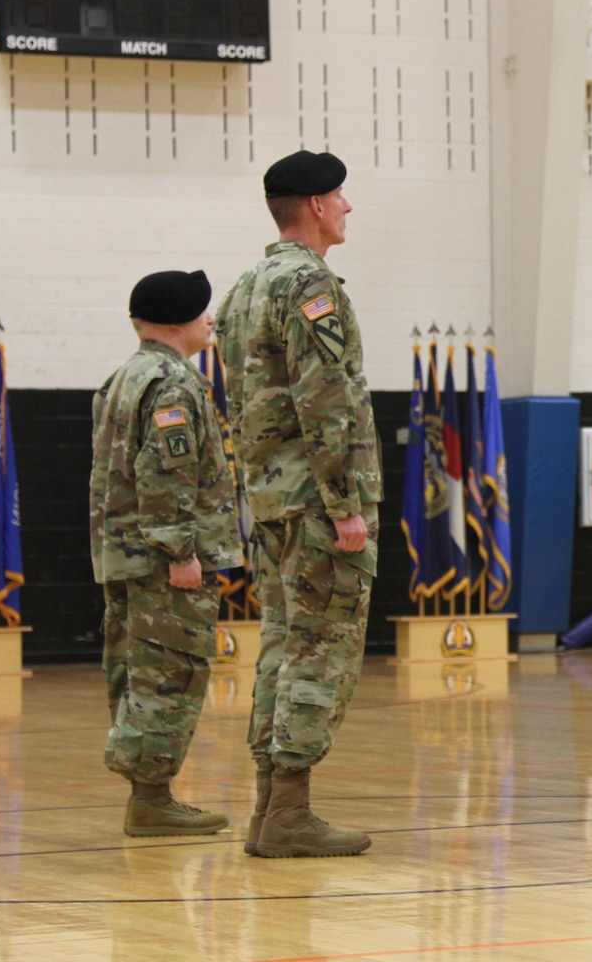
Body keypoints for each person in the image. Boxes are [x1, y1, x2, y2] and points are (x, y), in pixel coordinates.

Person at [216, 150, 383, 858]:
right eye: (341, 196)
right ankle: (288, 812)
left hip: (272, 499)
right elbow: (324, 399)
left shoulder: (245, 286)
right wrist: (344, 502)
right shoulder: (312, 286)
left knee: (283, 647)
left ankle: (268, 809)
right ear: (315, 205)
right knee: (322, 650)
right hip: (318, 502)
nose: (348, 207)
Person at [90, 270, 241, 836]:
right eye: (203, 311)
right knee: (169, 674)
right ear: (177, 321)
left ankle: (149, 793)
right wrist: (180, 550)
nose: (211, 320)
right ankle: (152, 800)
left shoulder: (122, 378)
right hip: (162, 560)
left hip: (126, 554)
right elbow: (165, 473)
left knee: (137, 673)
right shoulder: (172, 383)